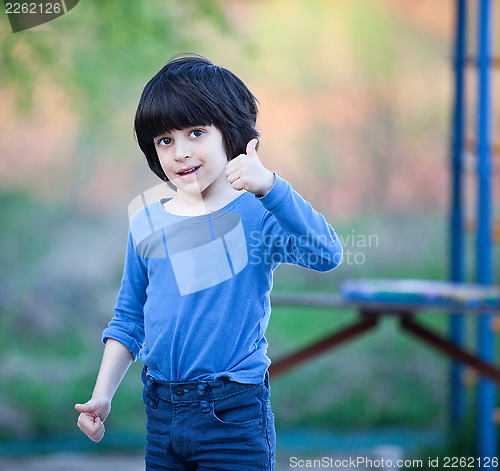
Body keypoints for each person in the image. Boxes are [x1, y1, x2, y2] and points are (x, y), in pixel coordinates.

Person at [75, 54, 343, 471]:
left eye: (195, 133)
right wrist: (102, 394)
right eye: (165, 140)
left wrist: (271, 186)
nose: (180, 152)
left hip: (232, 414)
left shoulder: (256, 214)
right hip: (162, 412)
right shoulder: (147, 219)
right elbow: (129, 318)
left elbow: (327, 253)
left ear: (230, 134)